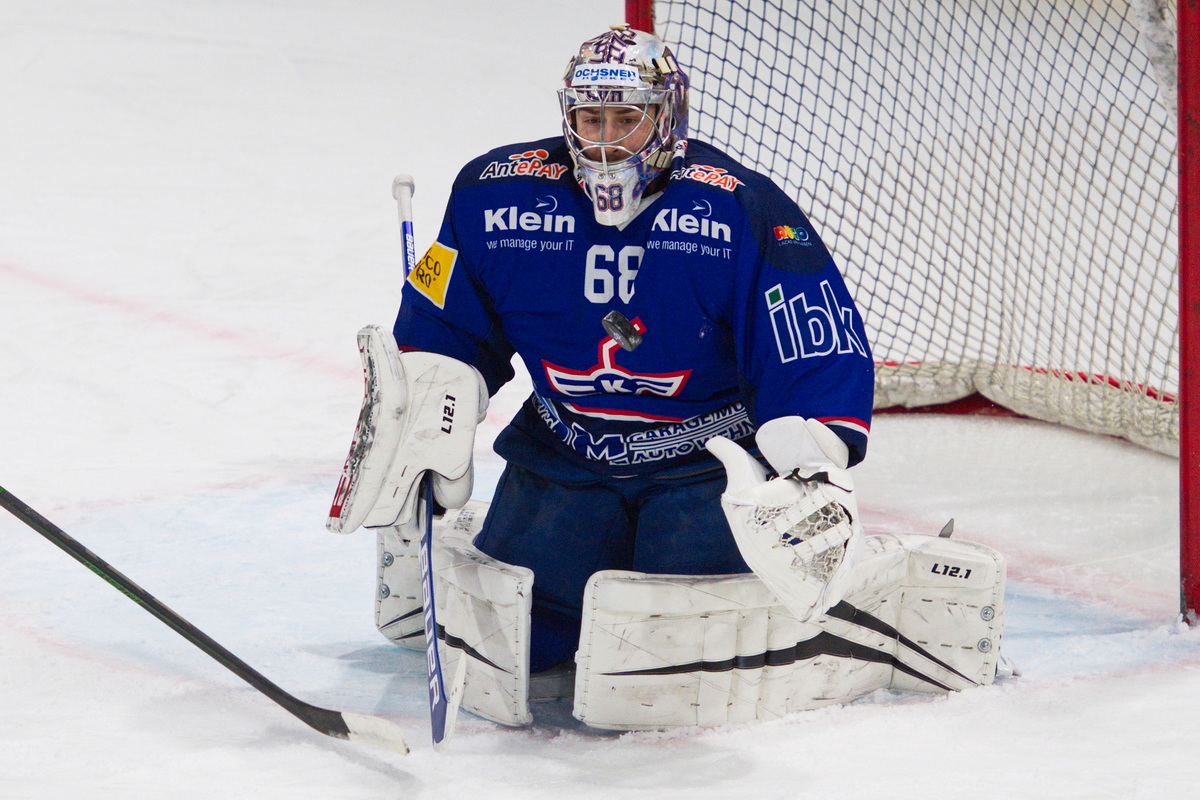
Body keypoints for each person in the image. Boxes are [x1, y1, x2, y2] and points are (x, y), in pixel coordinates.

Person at [386, 23, 875, 674]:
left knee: (676, 651)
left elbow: (809, 331)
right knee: (524, 641)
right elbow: (446, 324)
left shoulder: (735, 207)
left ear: (668, 118)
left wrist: (808, 454)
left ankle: (858, 584)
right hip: (566, 453)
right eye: (590, 119)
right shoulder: (495, 197)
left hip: (705, 468)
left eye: (628, 119)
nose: (607, 142)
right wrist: (429, 411)